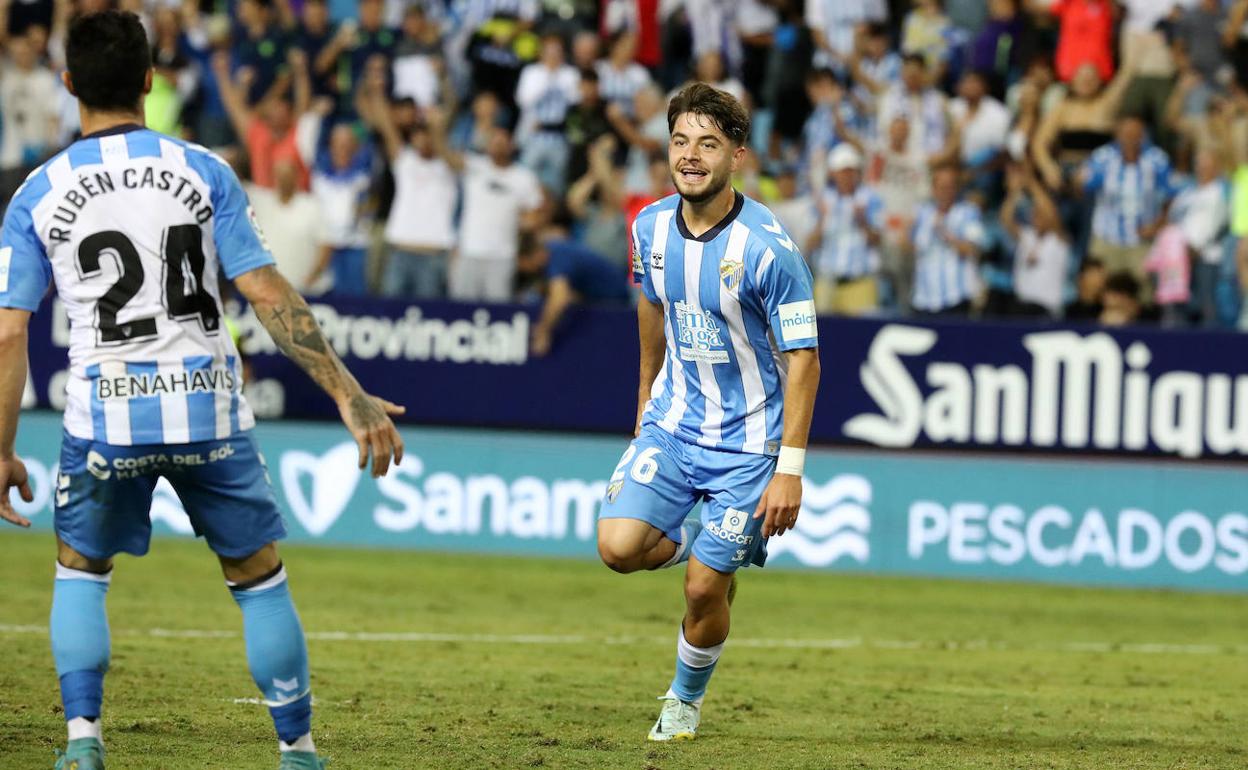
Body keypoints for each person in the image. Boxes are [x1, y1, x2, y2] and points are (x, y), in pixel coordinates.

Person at [0, 11, 404, 770]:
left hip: (105, 418)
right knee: (258, 574)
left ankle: (83, 743)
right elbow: (265, 289)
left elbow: (8, 333)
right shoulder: (202, 169)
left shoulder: (36, 194)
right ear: (151, 81)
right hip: (209, 411)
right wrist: (349, 392)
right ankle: (299, 751)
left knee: (81, 568)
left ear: (67, 86)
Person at [596, 83, 820, 742]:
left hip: (750, 446)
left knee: (701, 591)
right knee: (617, 548)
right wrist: (643, 398)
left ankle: (684, 699)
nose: (691, 157)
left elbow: (804, 361)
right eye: (681, 142)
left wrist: (791, 470)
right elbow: (651, 303)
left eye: (708, 145)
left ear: (737, 157)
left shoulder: (770, 249)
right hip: (672, 424)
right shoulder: (648, 225)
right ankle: (714, 549)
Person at [362, 87, 457, 301]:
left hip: (433, 253)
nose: (423, 141)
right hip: (400, 250)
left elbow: (449, 116)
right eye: (419, 136)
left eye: (428, 136)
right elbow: (386, 126)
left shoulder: (449, 166)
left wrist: (436, 126)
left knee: (428, 316)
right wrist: (377, 88)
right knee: (389, 314)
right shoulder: (405, 161)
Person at [1079, 115, 1177, 303]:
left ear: (1143, 135)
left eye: (1135, 134)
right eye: (1126, 134)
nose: (1130, 139)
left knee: (1144, 294)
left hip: (1141, 240)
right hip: (1106, 237)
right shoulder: (1103, 158)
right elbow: (1083, 187)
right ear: (1117, 134)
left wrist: (1158, 224)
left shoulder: (1157, 159)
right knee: (1099, 290)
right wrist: (1078, 180)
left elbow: (1172, 196)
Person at [523, 229, 630, 356]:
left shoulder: (557, 258)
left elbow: (559, 300)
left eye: (526, 264)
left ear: (536, 255)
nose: (525, 270)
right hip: (596, 297)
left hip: (614, 302)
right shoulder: (553, 251)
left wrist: (543, 331)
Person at [806, 143, 885, 316]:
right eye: (843, 171)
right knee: (823, 335)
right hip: (827, 281)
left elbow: (878, 240)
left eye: (851, 170)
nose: (847, 176)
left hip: (860, 282)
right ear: (833, 173)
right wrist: (823, 219)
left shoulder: (870, 198)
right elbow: (810, 243)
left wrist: (862, 220)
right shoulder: (822, 199)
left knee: (862, 337)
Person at [905, 164, 988, 315]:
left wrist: (945, 233)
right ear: (933, 190)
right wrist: (906, 229)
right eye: (942, 187)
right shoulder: (922, 213)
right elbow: (910, 247)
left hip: (956, 297)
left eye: (950, 187)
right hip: (924, 298)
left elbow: (971, 250)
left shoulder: (969, 213)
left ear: (956, 189)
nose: (946, 192)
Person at [247, 156, 329, 295]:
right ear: (273, 177)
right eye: (279, 176)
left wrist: (311, 279)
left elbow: (325, 245)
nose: (283, 180)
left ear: (296, 177)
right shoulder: (261, 202)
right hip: (269, 292)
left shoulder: (312, 205)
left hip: (306, 291)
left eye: (287, 176)